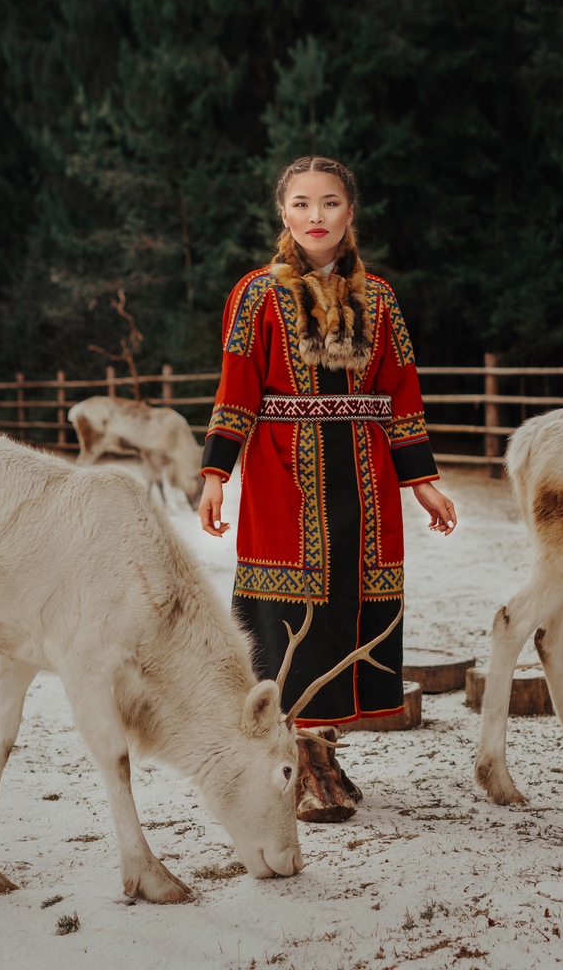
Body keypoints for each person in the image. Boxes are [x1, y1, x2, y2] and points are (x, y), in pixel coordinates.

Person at [198, 155, 456, 818]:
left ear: (350, 213)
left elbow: (401, 392)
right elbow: (238, 389)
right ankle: (294, 755)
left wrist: (421, 480)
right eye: (304, 203)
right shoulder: (256, 294)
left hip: (366, 485)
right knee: (292, 620)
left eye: (331, 203)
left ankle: (323, 748)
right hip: (285, 478)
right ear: (284, 213)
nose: (317, 216)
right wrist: (216, 474)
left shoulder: (381, 299)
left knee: (350, 612)